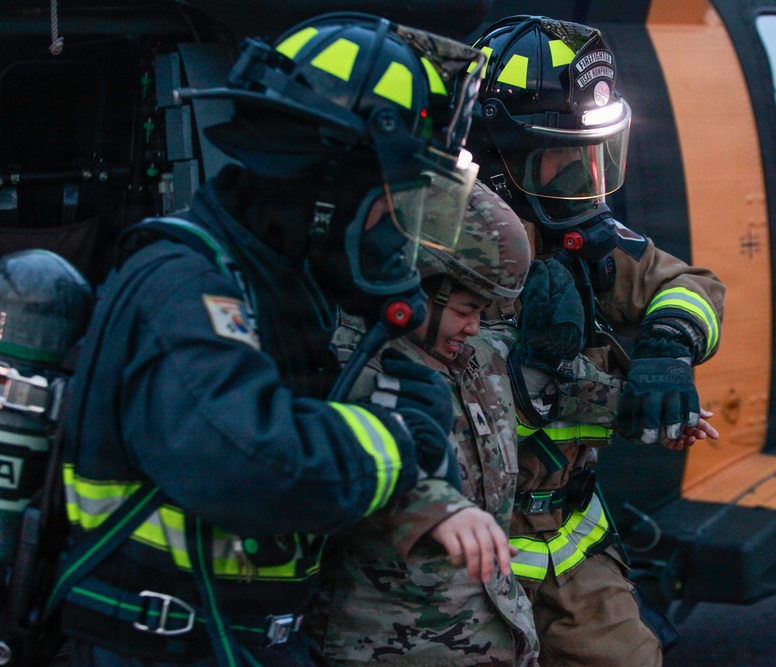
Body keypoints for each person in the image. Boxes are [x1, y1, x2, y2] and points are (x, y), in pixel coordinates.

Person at [52, 13, 485, 666]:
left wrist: (413, 422)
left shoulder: (285, 288)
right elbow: (249, 462)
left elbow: (411, 465)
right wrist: (395, 437)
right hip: (156, 646)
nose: (396, 230)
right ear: (328, 187)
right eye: (392, 201)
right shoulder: (183, 284)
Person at [467, 16, 726, 666]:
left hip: (572, 550)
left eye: (597, 153)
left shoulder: (584, 243)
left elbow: (689, 284)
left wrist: (667, 349)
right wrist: (615, 402)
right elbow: (487, 403)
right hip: (467, 558)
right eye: (564, 156)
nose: (586, 174)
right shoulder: (434, 254)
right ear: (501, 157)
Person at [311, 180, 627, 666]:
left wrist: (653, 404)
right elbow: (354, 470)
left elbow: (555, 384)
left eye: (483, 312)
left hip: (494, 639)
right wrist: (434, 507)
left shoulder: (473, 356)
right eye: (465, 310)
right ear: (412, 284)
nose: (476, 326)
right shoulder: (350, 374)